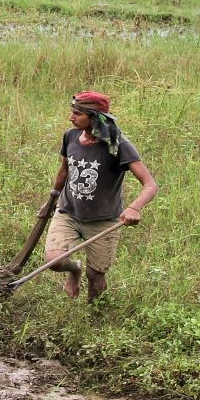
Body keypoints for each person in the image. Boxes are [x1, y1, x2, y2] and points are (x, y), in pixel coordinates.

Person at [37, 90, 158, 300]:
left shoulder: (118, 145)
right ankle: (75, 270)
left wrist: (134, 207)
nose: (71, 118)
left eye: (77, 114)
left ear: (94, 118)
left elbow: (150, 185)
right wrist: (52, 200)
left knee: (96, 277)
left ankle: (94, 315)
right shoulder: (71, 136)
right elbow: (64, 170)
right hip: (68, 212)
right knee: (54, 261)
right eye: (72, 112)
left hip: (103, 221)